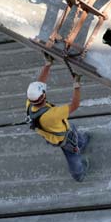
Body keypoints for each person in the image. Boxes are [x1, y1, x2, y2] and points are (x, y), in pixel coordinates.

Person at [26, 52, 90, 182]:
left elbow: (40, 83)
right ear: (43, 96)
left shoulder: (29, 103)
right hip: (63, 138)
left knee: (73, 129)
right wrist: (76, 85)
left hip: (57, 130)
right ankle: (78, 174)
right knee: (72, 155)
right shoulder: (51, 115)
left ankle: (82, 143)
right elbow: (75, 105)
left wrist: (47, 65)